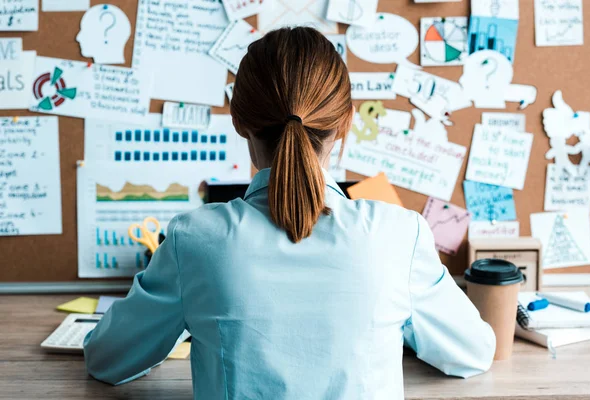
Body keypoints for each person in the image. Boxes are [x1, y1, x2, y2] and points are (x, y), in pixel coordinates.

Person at [84, 27, 495, 399]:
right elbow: (473, 352)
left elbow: (106, 359)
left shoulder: (195, 240)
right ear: (345, 122)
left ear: (239, 121)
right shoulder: (397, 235)